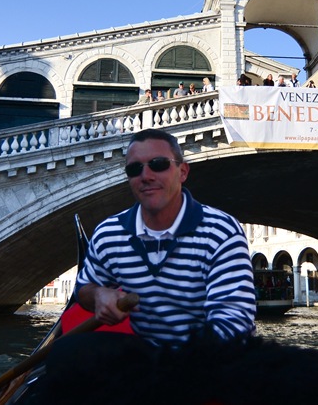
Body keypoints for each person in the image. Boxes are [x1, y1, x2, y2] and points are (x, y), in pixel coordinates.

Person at [75, 128, 257, 347]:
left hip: (211, 360)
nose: (146, 176)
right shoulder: (109, 233)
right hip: (147, 356)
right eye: (135, 169)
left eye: (159, 164)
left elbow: (233, 325)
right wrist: (98, 295)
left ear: (183, 172)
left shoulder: (221, 232)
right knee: (68, 352)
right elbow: (84, 287)